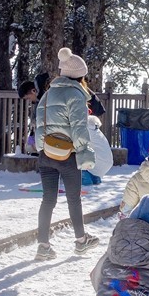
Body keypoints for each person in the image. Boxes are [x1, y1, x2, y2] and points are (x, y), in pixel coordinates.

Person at [34, 48, 99, 260]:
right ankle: (81, 241)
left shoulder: (47, 94)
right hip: (67, 154)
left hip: (46, 154)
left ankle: (43, 246)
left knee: (48, 200)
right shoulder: (76, 95)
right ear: (79, 75)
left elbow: (39, 124)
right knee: (73, 199)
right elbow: (79, 128)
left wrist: (42, 148)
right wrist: (85, 152)